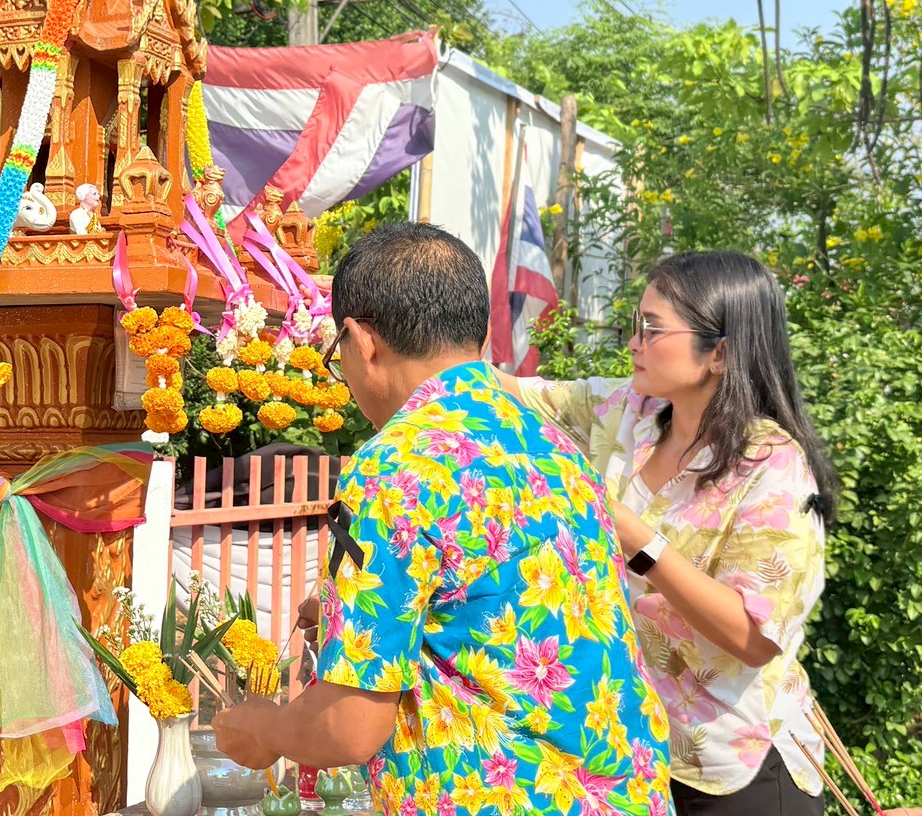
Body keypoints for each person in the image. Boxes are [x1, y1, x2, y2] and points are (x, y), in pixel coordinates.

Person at [213, 222, 671, 816]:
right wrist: (340, 611)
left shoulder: (395, 466)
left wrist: (264, 728)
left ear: (360, 341)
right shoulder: (552, 443)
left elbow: (350, 726)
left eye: (337, 356)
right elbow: (498, 609)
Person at [506, 251, 837, 816]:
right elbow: (510, 394)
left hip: (737, 770)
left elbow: (754, 637)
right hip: (634, 754)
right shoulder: (626, 412)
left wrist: (635, 538)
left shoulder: (771, 466)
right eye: (636, 324)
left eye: (652, 329)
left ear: (721, 352)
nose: (633, 342)